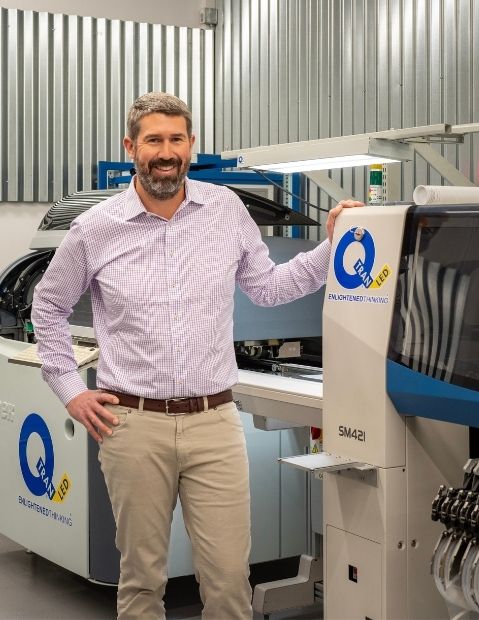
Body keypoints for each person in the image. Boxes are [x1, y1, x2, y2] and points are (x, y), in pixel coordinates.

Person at [31, 91, 363, 620]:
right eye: (154, 140)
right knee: (141, 583)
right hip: (132, 425)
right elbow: (46, 305)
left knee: (230, 581)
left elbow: (269, 287)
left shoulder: (225, 210)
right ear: (131, 147)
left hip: (214, 422)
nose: (166, 151)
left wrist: (333, 243)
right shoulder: (95, 227)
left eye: (176, 139)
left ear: (191, 145)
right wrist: (70, 390)